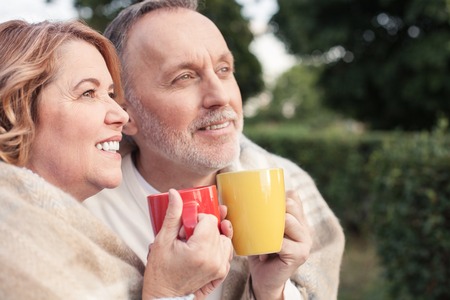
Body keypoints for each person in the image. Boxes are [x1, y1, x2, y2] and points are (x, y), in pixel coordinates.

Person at [84, 0, 345, 299]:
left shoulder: (290, 185)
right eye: (184, 77)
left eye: (224, 69)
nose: (220, 96)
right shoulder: (82, 214)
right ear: (124, 112)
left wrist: (270, 290)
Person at [0, 19, 233, 299]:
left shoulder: (65, 238)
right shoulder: (14, 247)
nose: (121, 115)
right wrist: (167, 290)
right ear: (14, 111)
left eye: (110, 94)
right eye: (88, 93)